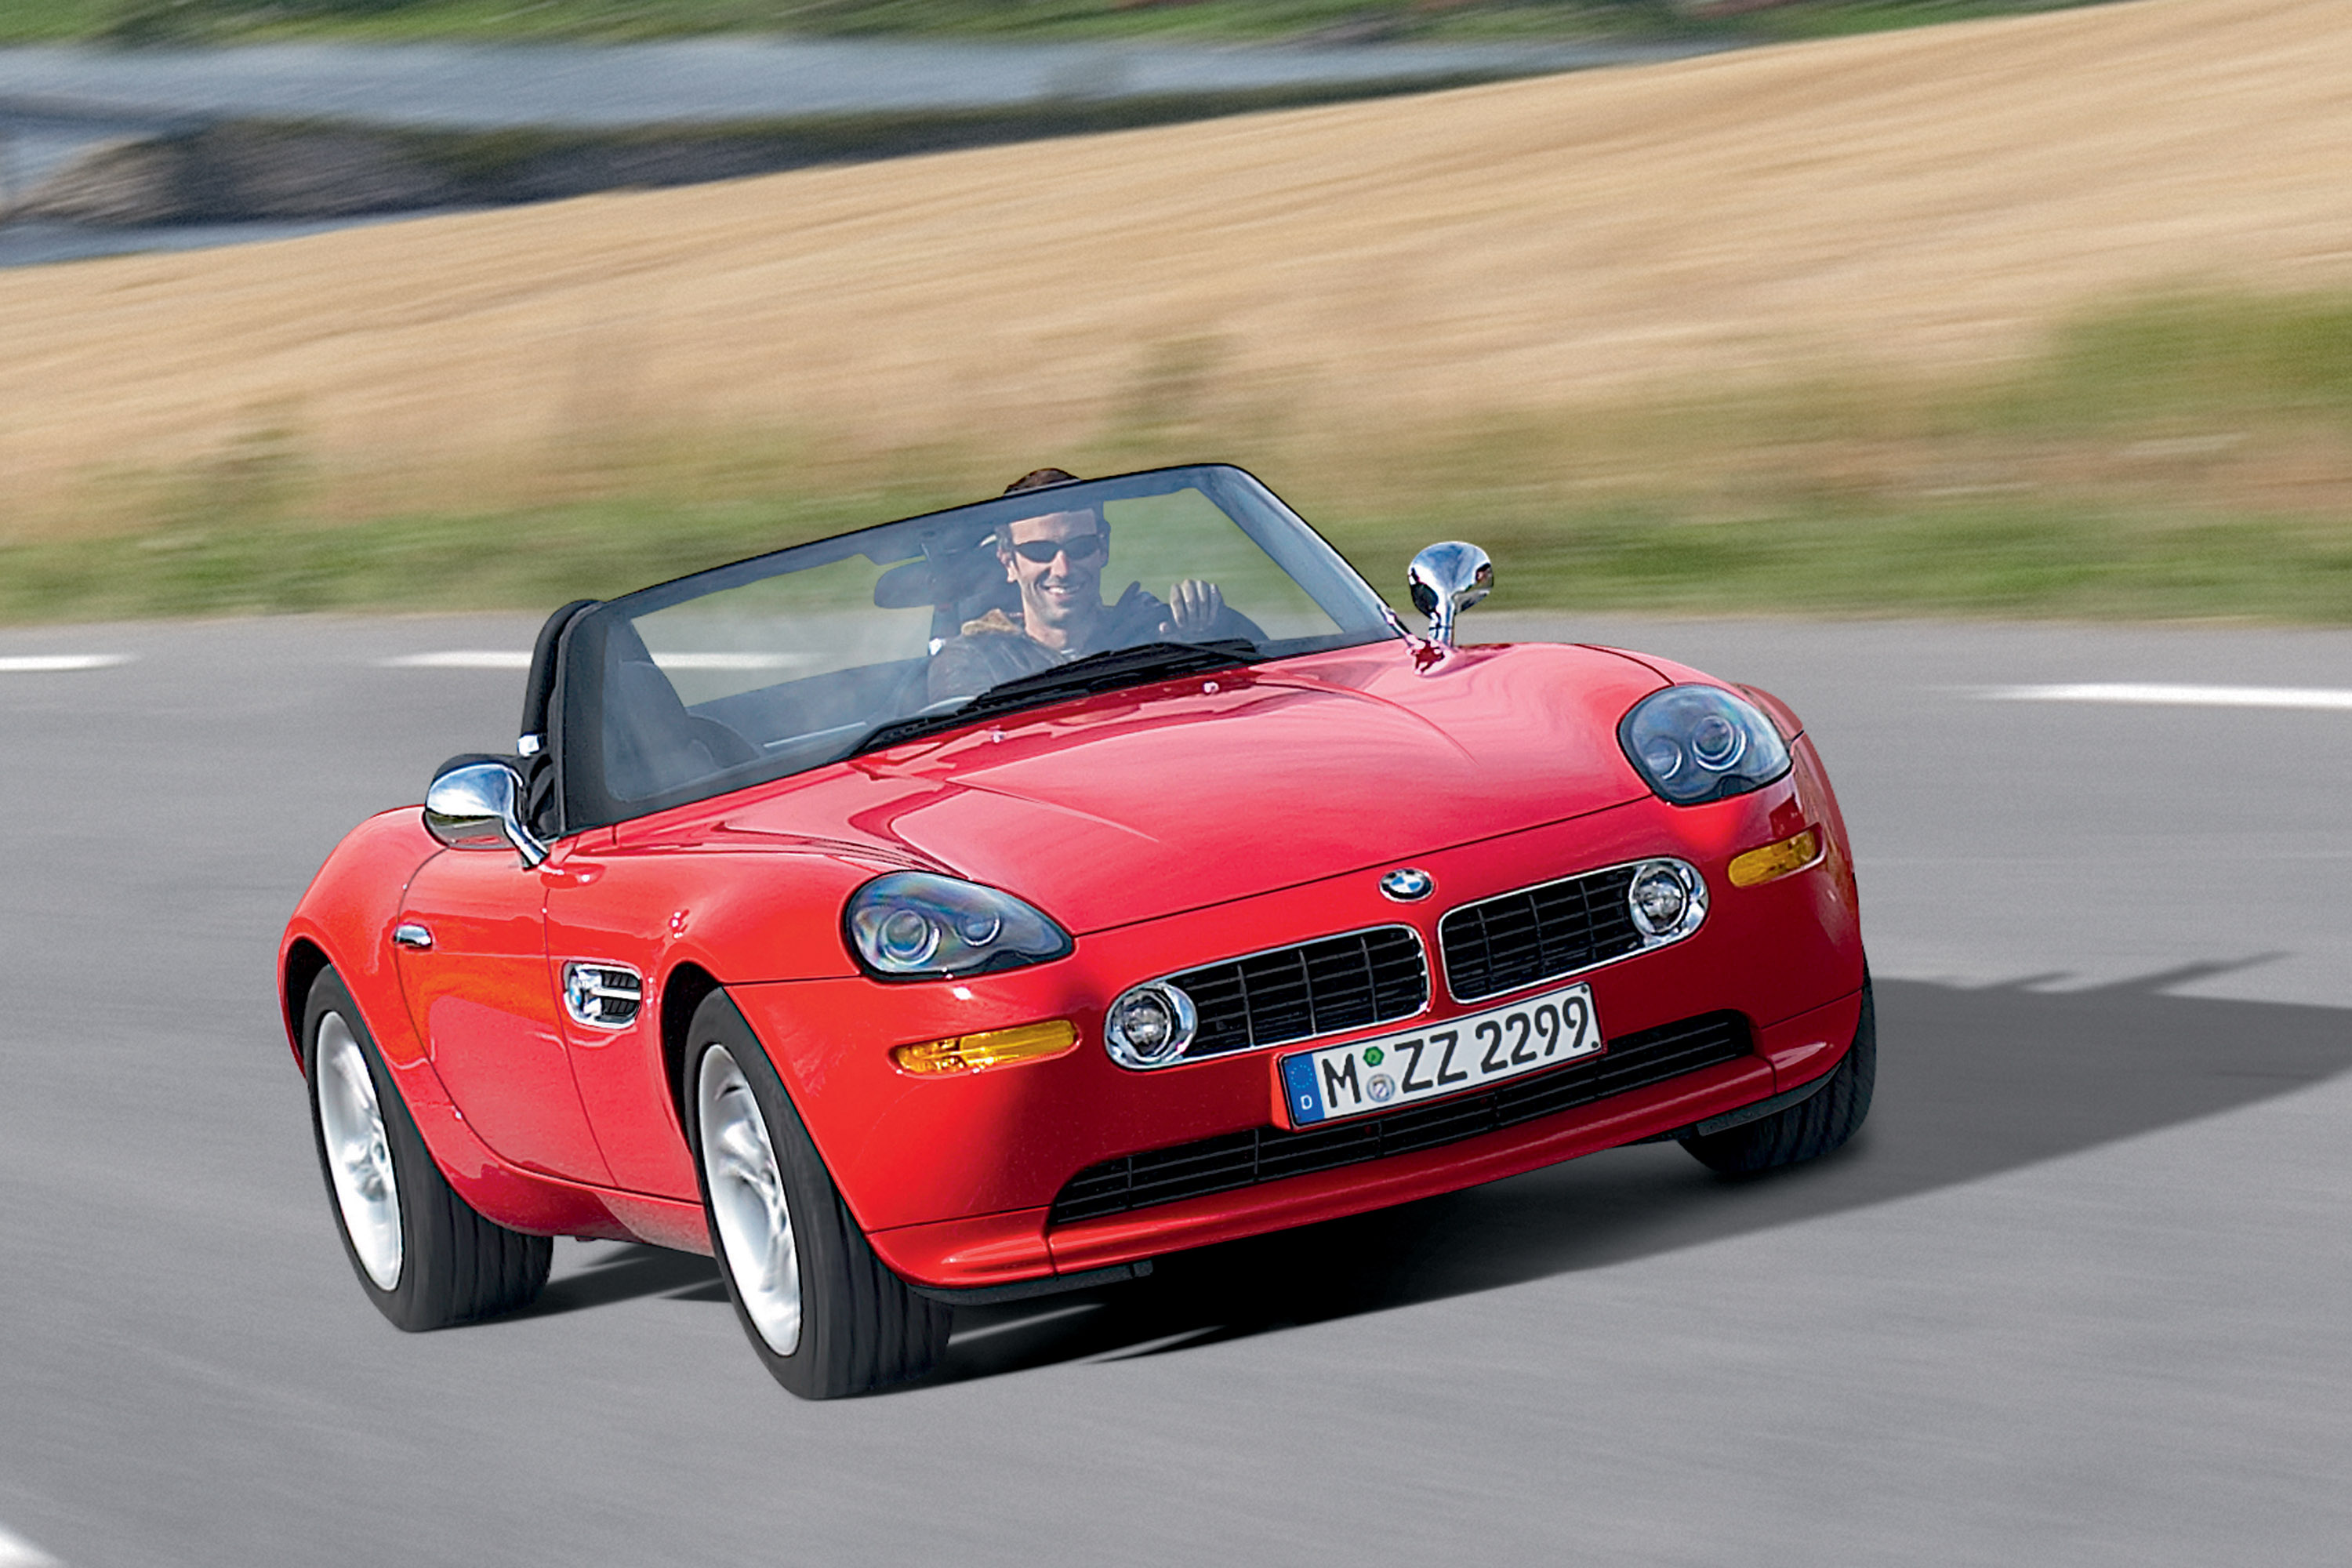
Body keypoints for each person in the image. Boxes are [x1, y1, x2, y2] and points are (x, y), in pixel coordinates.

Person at [926, 468, 1256, 702]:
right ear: (1008, 561)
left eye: (1080, 547)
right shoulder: (971, 660)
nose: (1063, 568)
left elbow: (1255, 685)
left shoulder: (1155, 629)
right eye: (1040, 551)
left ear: (1104, 547)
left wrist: (1204, 637)